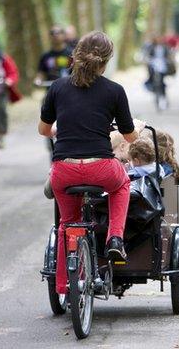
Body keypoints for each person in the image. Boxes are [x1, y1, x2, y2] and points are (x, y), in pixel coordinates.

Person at [38, 31, 142, 295]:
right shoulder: (114, 91)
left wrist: (56, 132)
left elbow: (43, 129)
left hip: (64, 170)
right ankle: (114, 237)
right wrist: (136, 131)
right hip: (101, 169)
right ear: (105, 62)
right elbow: (129, 136)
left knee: (67, 223)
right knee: (121, 186)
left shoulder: (57, 88)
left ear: (75, 55)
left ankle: (64, 286)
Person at [143, 35, 172, 109]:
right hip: (153, 65)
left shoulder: (165, 47)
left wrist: (168, 61)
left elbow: (169, 55)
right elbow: (147, 55)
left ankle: (164, 96)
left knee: (162, 82)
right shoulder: (151, 47)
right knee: (152, 78)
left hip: (162, 65)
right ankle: (153, 89)